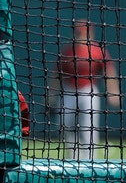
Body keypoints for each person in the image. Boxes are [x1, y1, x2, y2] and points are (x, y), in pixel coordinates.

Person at [47, 19, 121, 160]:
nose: (81, 36)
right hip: (69, 91)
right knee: (64, 124)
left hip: (89, 91)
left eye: (83, 33)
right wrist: (51, 97)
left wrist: (113, 92)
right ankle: (72, 155)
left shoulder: (97, 51)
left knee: (89, 128)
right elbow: (56, 76)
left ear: (90, 34)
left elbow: (109, 71)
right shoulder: (68, 52)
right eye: (78, 33)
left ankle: (90, 159)